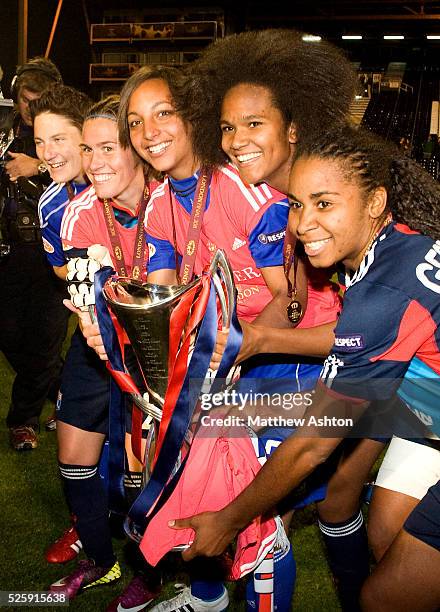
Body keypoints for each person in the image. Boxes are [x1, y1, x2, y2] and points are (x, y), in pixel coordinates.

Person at [169, 124, 440, 611]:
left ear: (375, 202)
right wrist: (263, 338)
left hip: (426, 417)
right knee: (383, 532)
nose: (303, 223)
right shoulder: (398, 244)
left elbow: (315, 443)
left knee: (386, 598)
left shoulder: (382, 290)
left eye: (324, 203)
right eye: (296, 204)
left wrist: (231, 519)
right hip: (428, 417)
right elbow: (373, 338)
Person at [187, 30, 381, 610]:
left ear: (292, 129)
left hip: (387, 370)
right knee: (333, 502)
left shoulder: (328, 193)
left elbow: (365, 329)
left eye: (254, 124)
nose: (237, 140)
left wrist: (253, 341)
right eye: (227, 127)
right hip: (321, 364)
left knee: (271, 502)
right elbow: (289, 299)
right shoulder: (277, 201)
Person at [47, 95, 162, 611]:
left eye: (108, 148)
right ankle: (98, 558)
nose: (94, 162)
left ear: (136, 149)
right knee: (73, 461)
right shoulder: (77, 213)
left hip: (161, 351)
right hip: (97, 345)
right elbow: (85, 292)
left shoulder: (175, 204)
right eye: (87, 149)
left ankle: (150, 573)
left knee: (147, 473)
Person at [29, 82, 92, 563]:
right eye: (39, 142)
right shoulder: (51, 202)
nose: (47, 153)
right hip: (91, 339)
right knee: (72, 453)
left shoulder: (129, 182)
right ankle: (87, 537)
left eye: (58, 139)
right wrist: (86, 271)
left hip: (150, 343)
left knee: (142, 458)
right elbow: (57, 268)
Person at [0, 56, 68, 450]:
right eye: (25, 99)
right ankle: (62, 392)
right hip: (8, 255)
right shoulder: (4, 131)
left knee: (44, 339)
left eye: (39, 99)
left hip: (52, 257)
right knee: (10, 335)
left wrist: (38, 166)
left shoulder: (68, 132)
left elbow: (84, 174)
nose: (31, 107)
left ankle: (22, 420)